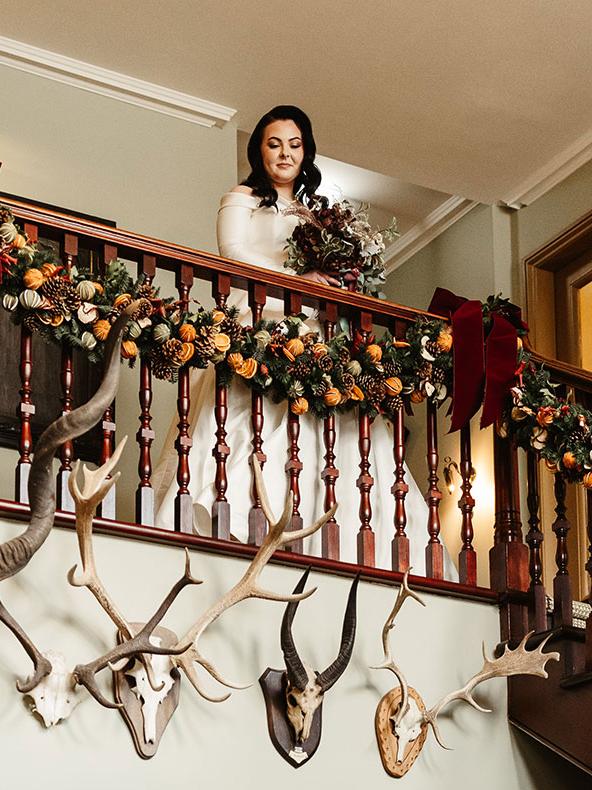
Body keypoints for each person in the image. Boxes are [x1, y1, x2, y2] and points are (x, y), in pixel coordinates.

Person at [155, 105, 455, 577]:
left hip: (314, 336)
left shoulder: (316, 213)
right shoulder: (242, 198)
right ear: (260, 149)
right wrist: (300, 278)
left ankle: (324, 528)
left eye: (294, 145)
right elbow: (232, 254)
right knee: (245, 422)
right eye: (274, 144)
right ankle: (245, 519)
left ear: (306, 152)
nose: (284, 154)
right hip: (259, 328)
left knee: (332, 427)